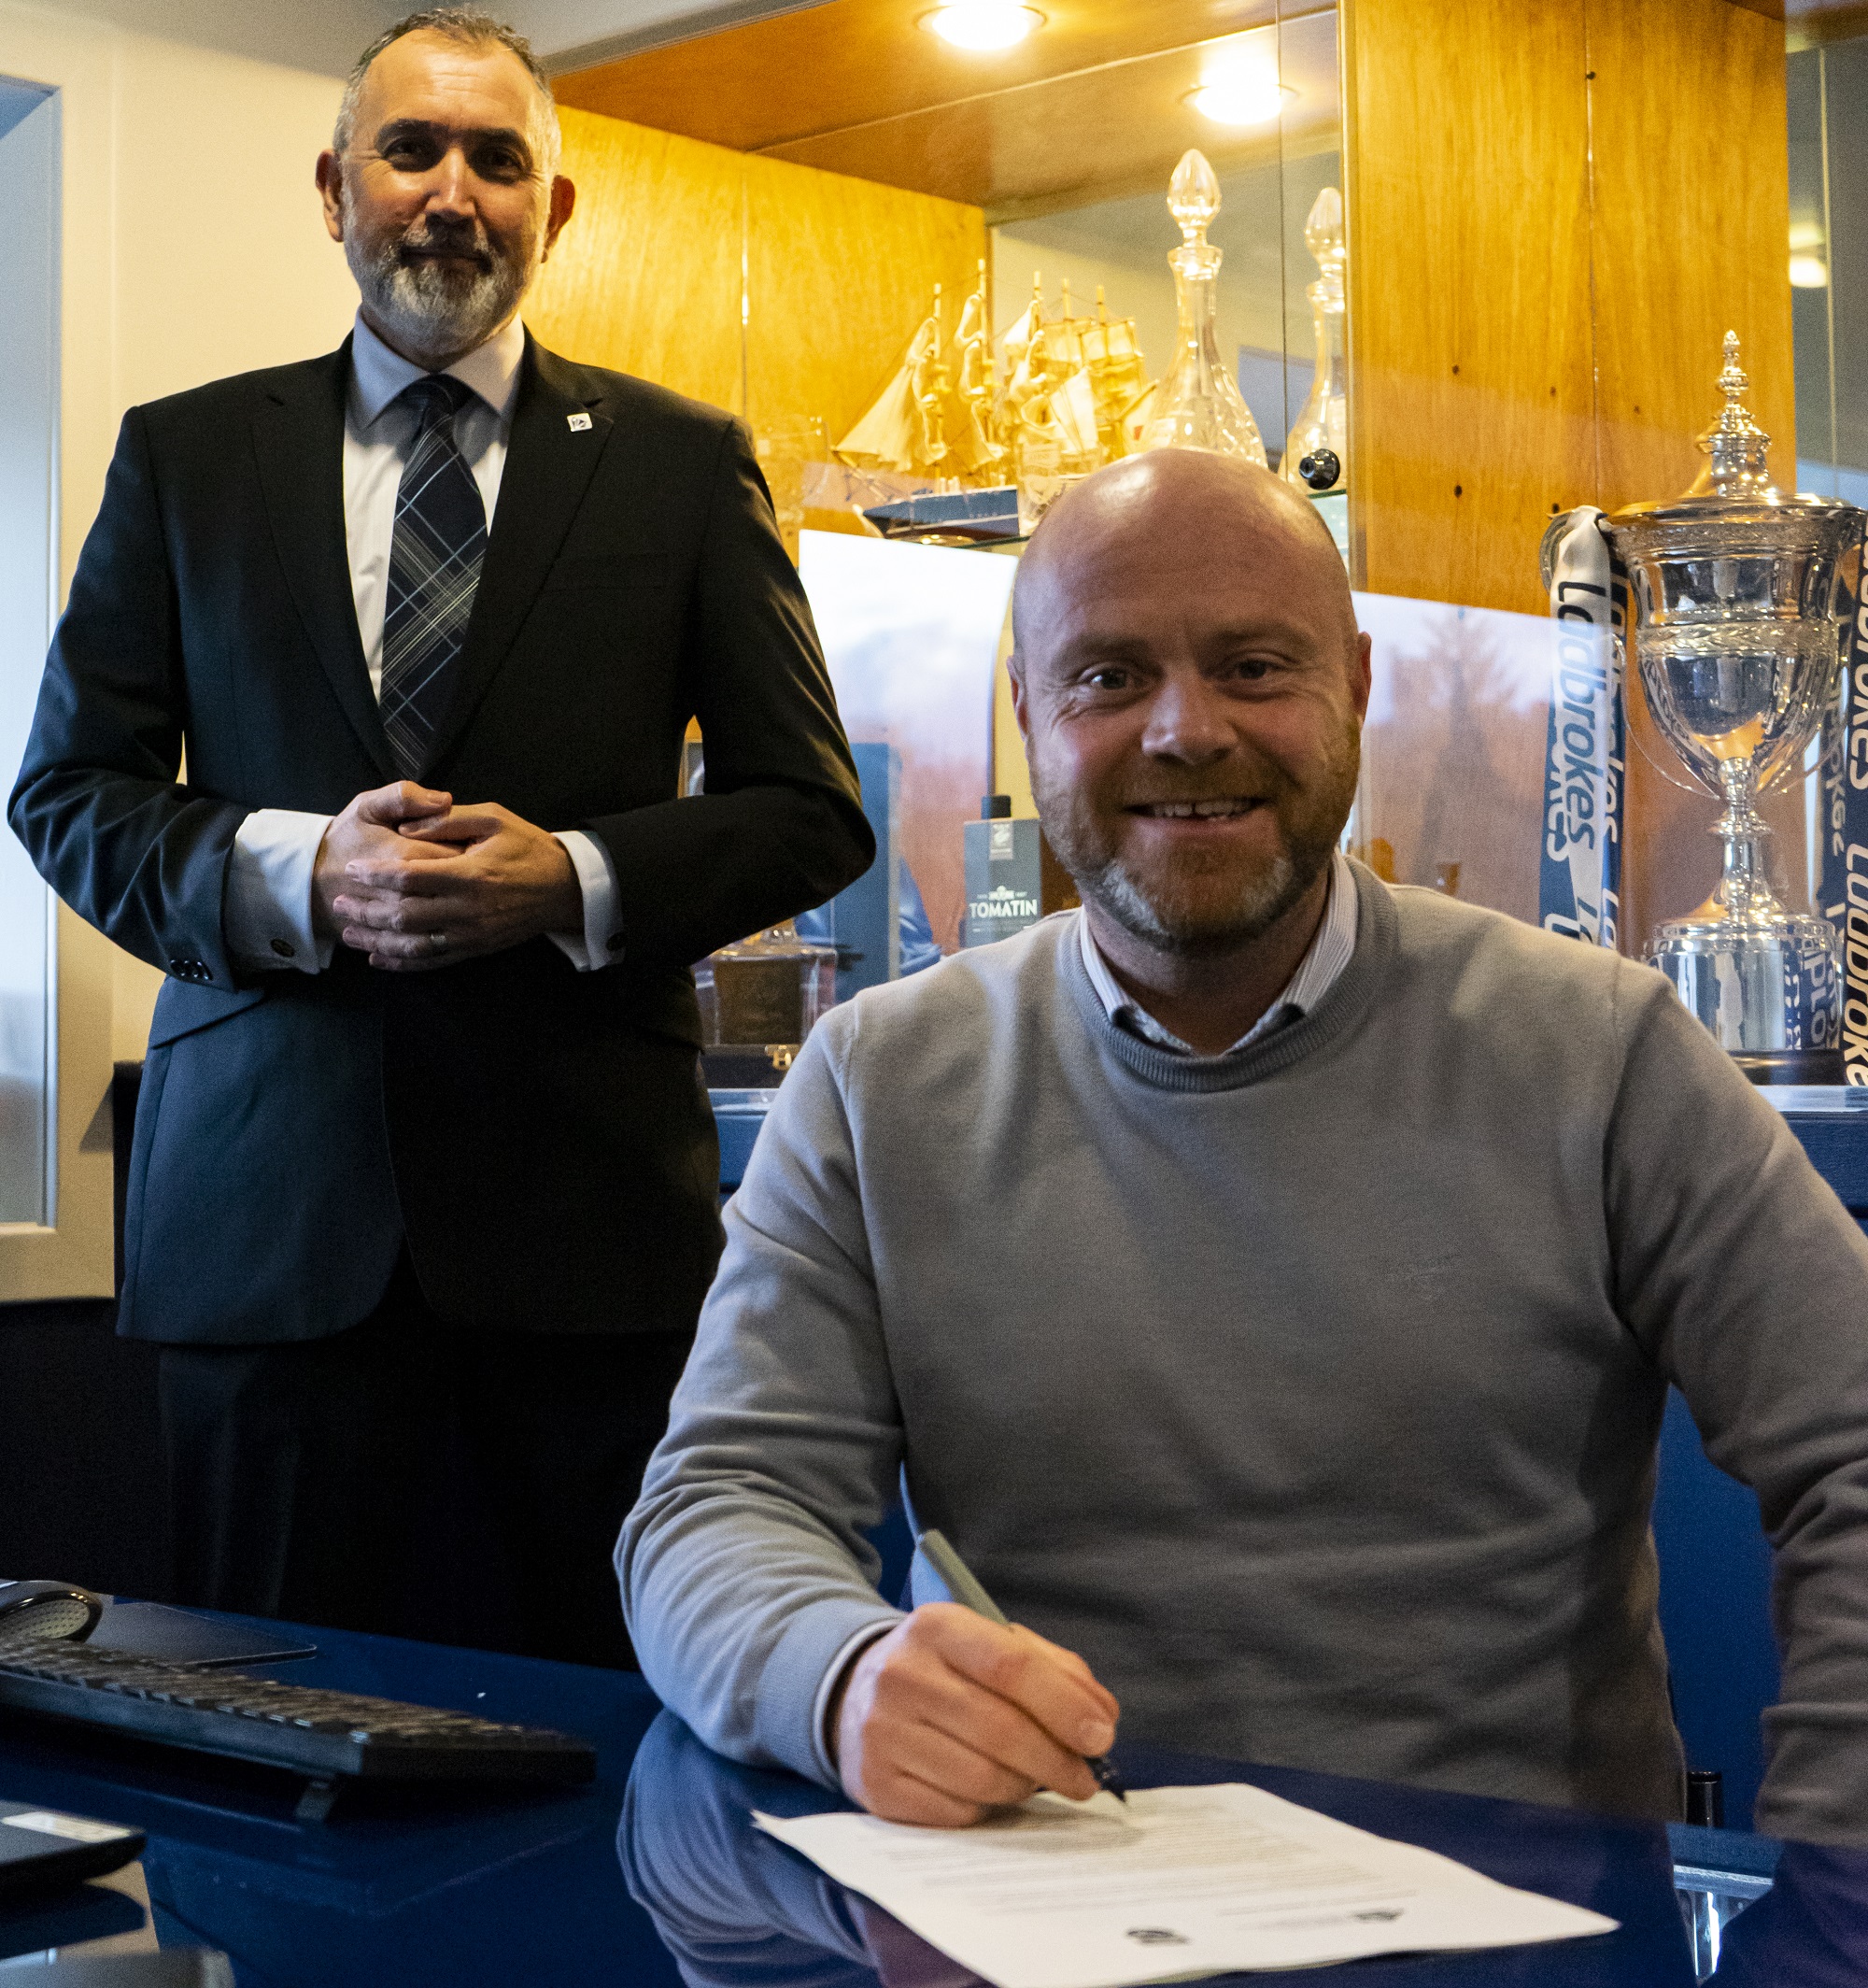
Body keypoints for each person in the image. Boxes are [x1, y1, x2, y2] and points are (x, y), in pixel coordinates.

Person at [619, 447, 1868, 1846]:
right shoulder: (873, 1083)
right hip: (1053, 1924)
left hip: (1529, 1941)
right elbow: (716, 1511)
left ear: (1360, 684)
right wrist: (838, 1680)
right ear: (1029, 712)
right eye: (1107, 677)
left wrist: (1834, 1887)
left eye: (1256, 667)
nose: (1185, 730)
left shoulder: (1602, 1053)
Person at [8, 7, 871, 1668]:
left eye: (498, 158)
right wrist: (297, 872)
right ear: (334, 188)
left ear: (555, 212)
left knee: (601, 1758)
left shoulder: (683, 469)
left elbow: (806, 804)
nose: (451, 193)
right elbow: (69, 795)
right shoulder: (186, 458)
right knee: (262, 1760)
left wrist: (576, 875)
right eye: (412, 151)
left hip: (587, 1255)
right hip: (260, 1245)